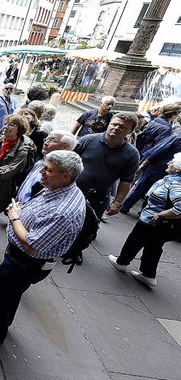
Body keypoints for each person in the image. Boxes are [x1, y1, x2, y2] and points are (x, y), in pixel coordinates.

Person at [0, 150, 86, 347]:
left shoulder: (63, 211)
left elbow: (31, 245)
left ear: (66, 176)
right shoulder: (59, 188)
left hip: (24, 262)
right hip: (19, 259)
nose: (41, 171)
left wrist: (14, 216)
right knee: (9, 296)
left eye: (48, 170)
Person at [108, 153, 181, 288]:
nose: (168, 163)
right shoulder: (173, 180)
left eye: (172, 162)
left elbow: (179, 208)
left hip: (152, 220)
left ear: (177, 168)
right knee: (154, 246)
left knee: (134, 241)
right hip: (161, 224)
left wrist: (161, 214)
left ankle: (122, 262)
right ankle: (148, 275)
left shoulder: (175, 183)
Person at [74, 112, 139, 221]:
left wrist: (117, 202)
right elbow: (67, 161)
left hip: (97, 199)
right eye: (114, 124)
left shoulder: (132, 154)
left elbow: (126, 181)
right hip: (73, 190)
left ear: (131, 131)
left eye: (122, 127)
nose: (116, 128)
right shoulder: (87, 140)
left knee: (87, 228)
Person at [120, 132, 181, 214]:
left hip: (158, 168)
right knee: (156, 192)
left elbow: (159, 150)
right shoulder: (177, 137)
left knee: (141, 188)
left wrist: (145, 162)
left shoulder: (177, 137)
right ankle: (144, 211)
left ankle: (125, 206)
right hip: (171, 172)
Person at [16, 130, 77, 202]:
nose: (46, 143)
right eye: (46, 139)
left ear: (65, 147)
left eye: (52, 140)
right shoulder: (40, 162)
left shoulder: (60, 173)